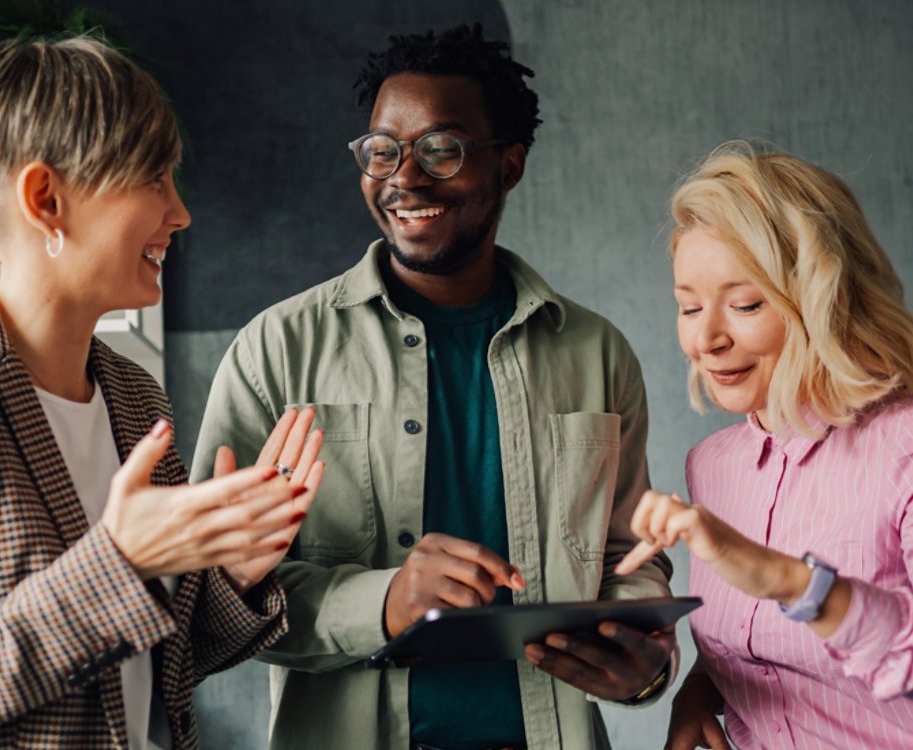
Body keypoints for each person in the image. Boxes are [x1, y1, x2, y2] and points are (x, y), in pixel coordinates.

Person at [191, 24, 674, 750]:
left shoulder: (596, 353)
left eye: (440, 150)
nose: (404, 178)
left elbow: (628, 558)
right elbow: (209, 601)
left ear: (508, 165)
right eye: (381, 150)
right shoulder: (276, 352)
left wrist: (641, 661)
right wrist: (383, 602)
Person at [0, 37, 324, 749]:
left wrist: (229, 575)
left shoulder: (137, 397)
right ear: (46, 198)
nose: (180, 213)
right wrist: (119, 563)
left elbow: (153, 670)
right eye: (153, 180)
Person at [616, 141, 913, 749]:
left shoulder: (904, 448)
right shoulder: (713, 466)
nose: (706, 338)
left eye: (746, 303)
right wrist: (703, 688)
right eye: (688, 307)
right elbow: (762, 648)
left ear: (825, 298)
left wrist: (789, 581)